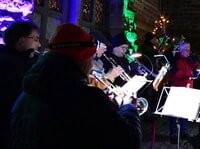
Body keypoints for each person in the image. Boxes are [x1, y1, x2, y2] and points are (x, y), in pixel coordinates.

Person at [10, 23, 142, 149]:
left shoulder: (27, 92)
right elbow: (129, 141)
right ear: (82, 59)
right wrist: (128, 107)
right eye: (90, 58)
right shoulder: (86, 97)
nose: (91, 65)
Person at [0, 20, 41, 149]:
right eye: (35, 39)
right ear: (22, 40)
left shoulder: (7, 57)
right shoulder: (14, 64)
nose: (39, 44)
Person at [168, 41, 200, 144]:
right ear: (180, 49)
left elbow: (196, 67)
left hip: (188, 87)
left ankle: (184, 132)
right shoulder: (175, 59)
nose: (188, 51)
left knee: (185, 112)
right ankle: (173, 133)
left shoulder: (189, 59)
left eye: (189, 49)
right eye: (186, 49)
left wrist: (197, 64)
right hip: (177, 87)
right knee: (174, 113)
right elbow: (177, 73)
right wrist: (190, 73)